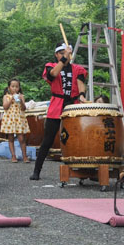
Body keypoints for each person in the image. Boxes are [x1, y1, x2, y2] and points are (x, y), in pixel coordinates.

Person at [30, 42, 87, 180]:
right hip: (57, 105)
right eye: (61, 53)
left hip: (72, 106)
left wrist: (82, 96)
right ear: (56, 54)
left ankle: (84, 170)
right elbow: (53, 74)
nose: (64, 55)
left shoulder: (78, 69)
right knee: (48, 140)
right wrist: (64, 58)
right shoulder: (50, 66)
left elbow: (80, 85)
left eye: (66, 52)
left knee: (77, 138)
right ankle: (36, 171)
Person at [0, 78, 30, 163]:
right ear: (9, 87)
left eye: (16, 86)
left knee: (21, 138)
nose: (15, 88)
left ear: (19, 88)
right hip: (9, 119)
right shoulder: (6, 96)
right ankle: (13, 156)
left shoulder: (22, 96)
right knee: (10, 138)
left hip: (19, 119)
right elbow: (5, 107)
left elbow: (24, 108)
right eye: (12, 86)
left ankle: (25, 156)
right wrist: (11, 99)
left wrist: (21, 101)